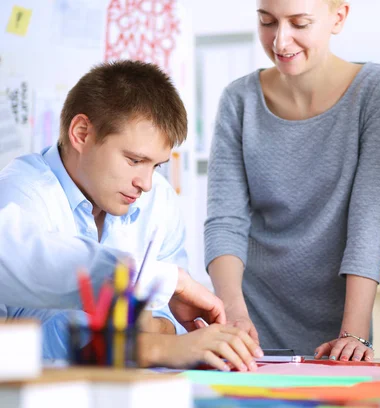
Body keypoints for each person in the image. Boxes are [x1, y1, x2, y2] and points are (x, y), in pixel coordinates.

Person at [0, 60, 262, 371]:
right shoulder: (20, 196)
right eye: (135, 160)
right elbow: (29, 334)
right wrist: (153, 345)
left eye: (156, 165)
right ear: (81, 133)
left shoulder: (158, 199)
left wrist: (156, 331)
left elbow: (169, 319)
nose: (146, 183)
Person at [205, 0, 380, 361]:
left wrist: (354, 332)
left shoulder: (379, 90)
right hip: (249, 324)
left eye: (299, 23)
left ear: (338, 17)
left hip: (342, 327)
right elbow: (225, 221)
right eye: (267, 22)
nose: (281, 42)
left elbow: (368, 222)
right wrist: (233, 315)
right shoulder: (239, 100)